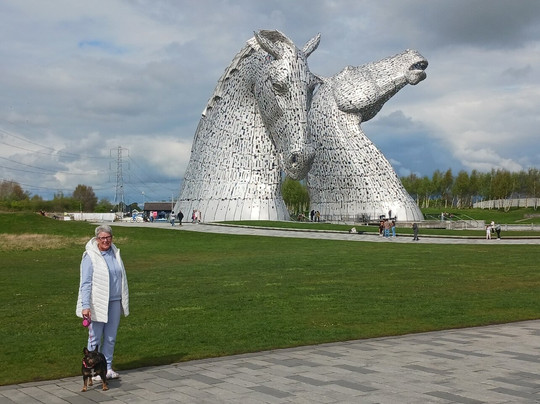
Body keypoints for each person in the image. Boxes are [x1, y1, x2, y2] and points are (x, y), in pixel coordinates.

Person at [76, 225, 129, 380]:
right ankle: (93, 370)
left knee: (111, 337)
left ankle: (107, 368)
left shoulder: (115, 253)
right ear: (97, 239)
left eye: (108, 237)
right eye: (102, 238)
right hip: (97, 302)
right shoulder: (90, 256)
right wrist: (85, 306)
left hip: (114, 300)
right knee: (95, 338)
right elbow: (85, 283)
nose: (105, 240)